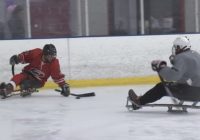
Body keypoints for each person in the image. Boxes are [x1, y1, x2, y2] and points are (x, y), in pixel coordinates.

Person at [128, 36, 200, 110]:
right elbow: (188, 71)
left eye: (176, 47)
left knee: (161, 87)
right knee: (174, 85)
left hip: (191, 92)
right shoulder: (195, 54)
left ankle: (138, 102)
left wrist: (161, 68)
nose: (175, 49)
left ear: (180, 47)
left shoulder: (182, 57)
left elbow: (173, 76)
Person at [0, 44, 70, 97]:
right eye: (50, 55)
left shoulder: (54, 63)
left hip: (39, 81)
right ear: (45, 54)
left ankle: (27, 89)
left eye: (54, 55)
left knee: (25, 85)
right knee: (18, 77)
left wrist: (63, 86)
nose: (52, 57)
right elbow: (25, 56)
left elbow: (57, 76)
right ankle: (8, 88)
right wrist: (17, 59)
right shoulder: (36, 53)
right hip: (27, 73)